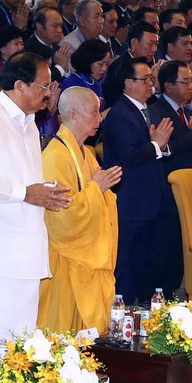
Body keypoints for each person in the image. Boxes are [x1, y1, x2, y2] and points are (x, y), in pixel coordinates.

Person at [0, 53, 71, 356]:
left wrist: (46, 192)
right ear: (19, 85)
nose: (49, 93)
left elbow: (24, 181)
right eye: (43, 86)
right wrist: (24, 192)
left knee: (19, 345)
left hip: (25, 250)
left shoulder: (29, 124)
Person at [38, 87, 121, 334]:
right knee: (62, 335)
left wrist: (99, 189)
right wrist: (97, 188)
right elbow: (63, 217)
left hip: (86, 256)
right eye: (94, 111)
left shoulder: (86, 153)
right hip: (66, 261)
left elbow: (100, 198)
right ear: (73, 114)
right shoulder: (54, 156)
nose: (100, 118)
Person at [102, 57, 176, 304]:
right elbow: (129, 157)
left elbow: (155, 150)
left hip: (150, 200)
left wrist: (160, 147)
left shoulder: (145, 110)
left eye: (151, 79)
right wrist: (157, 145)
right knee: (126, 264)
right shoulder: (121, 114)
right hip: (130, 202)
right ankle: (119, 315)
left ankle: (137, 311)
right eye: (144, 79)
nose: (150, 85)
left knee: (144, 262)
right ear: (127, 83)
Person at [149, 60, 192, 173]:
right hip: (172, 178)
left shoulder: (187, 112)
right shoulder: (156, 112)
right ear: (169, 86)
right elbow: (167, 149)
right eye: (185, 82)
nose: (191, 86)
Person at [61, 38, 112, 109]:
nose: (104, 68)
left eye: (107, 64)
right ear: (88, 61)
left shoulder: (95, 82)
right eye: (100, 64)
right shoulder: (71, 84)